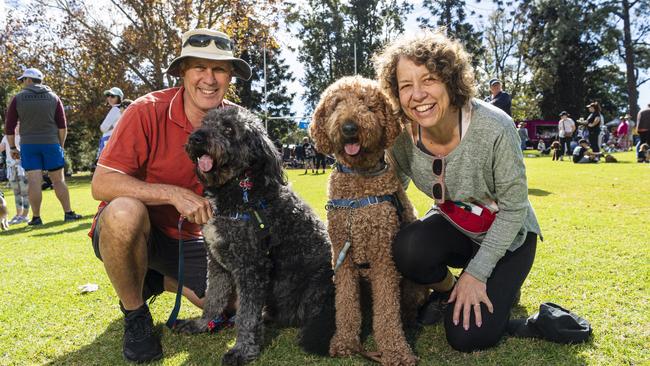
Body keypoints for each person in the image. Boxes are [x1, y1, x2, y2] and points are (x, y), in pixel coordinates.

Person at [89, 28, 252, 363]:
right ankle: (135, 316)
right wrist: (172, 194)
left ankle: (156, 279)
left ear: (230, 76)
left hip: (194, 239)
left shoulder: (238, 122)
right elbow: (101, 184)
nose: (209, 79)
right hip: (138, 231)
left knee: (229, 303)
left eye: (220, 69)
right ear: (182, 72)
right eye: (199, 68)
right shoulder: (145, 110)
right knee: (123, 212)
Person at [374, 30, 541, 352]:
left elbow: (514, 209)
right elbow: (392, 189)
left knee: (468, 336)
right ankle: (449, 289)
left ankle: (525, 307)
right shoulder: (400, 135)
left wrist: (476, 274)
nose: (418, 94)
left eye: (429, 80)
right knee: (409, 249)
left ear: (451, 79)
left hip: (510, 237)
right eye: (406, 85)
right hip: (455, 224)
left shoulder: (494, 126)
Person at [3, 67, 82, 226]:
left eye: (23, 80)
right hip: (51, 143)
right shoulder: (53, 97)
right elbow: (62, 126)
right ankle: (68, 213)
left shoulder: (18, 98)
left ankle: (36, 218)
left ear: (29, 80)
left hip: (29, 145)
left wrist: (12, 147)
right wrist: (60, 145)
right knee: (58, 180)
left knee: (34, 181)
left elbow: (9, 126)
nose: (22, 83)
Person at [0, 124, 30, 224]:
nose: (16, 126)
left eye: (18, 124)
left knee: (25, 192)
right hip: (11, 168)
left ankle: (25, 215)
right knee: (16, 193)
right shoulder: (7, 137)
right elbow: (1, 147)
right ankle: (18, 215)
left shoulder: (24, 137)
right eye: (15, 124)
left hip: (22, 168)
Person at [97, 87, 124, 158]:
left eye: (112, 96)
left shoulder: (115, 109)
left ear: (119, 98)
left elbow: (103, 128)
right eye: (108, 95)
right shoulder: (122, 110)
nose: (109, 98)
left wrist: (111, 127)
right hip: (116, 141)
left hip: (108, 141)